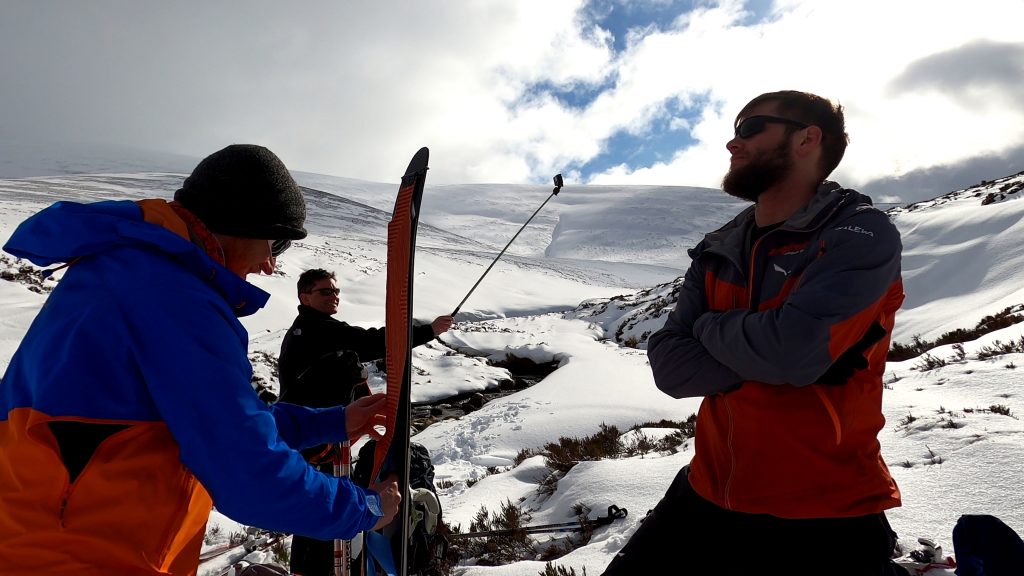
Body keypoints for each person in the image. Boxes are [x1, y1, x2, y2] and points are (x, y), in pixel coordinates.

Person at [0, 144, 401, 576]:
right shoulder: (175, 299)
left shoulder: (124, 273)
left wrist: (332, 422)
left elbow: (207, 422)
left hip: (41, 545)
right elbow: (249, 475)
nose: (269, 264)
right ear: (243, 223)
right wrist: (368, 508)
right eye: (277, 242)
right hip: (84, 558)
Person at [603, 91, 905, 575]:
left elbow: (792, 352)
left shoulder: (859, 234)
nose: (731, 142)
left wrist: (706, 328)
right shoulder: (718, 248)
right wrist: (765, 353)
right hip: (706, 490)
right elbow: (672, 368)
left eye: (750, 128)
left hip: (826, 509)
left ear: (807, 139)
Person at [278, 268, 453, 575]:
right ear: (304, 296)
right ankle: (317, 569)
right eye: (326, 291)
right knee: (321, 507)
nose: (335, 297)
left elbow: (345, 368)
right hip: (315, 441)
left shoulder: (311, 329)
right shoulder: (316, 329)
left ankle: (318, 566)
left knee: (319, 506)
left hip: (316, 438)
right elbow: (372, 342)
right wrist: (429, 331)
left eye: (336, 291)